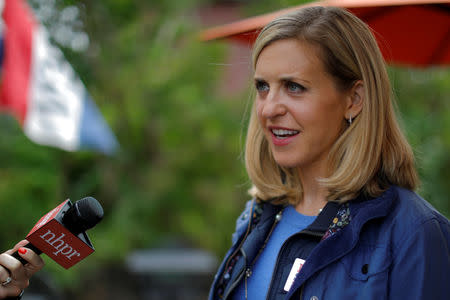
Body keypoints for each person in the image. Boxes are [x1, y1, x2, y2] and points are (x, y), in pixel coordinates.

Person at [208, 6, 450, 300]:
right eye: (262, 87)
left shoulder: (414, 233)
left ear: (354, 99)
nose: (269, 108)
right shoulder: (257, 217)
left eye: (294, 87)